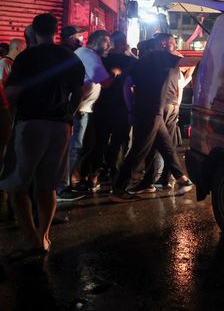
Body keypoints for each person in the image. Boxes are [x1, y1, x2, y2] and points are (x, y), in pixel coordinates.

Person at [2, 13, 84, 256]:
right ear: (56, 30)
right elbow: (79, 91)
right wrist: (69, 114)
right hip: (60, 126)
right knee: (47, 185)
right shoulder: (69, 57)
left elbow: (13, 93)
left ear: (34, 31)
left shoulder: (27, 57)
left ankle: (30, 238)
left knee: (17, 184)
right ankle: (44, 236)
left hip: (31, 124)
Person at [111, 33, 193, 202]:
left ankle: (181, 179)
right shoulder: (160, 56)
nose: (172, 45)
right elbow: (187, 62)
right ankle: (118, 189)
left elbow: (127, 81)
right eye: (170, 42)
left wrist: (131, 109)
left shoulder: (144, 59)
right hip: (152, 110)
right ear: (163, 44)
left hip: (145, 109)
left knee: (166, 145)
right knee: (139, 150)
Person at [69, 30, 117, 192]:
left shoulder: (83, 52)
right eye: (106, 41)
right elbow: (106, 82)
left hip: (84, 108)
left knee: (87, 144)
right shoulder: (89, 55)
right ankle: (63, 185)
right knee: (77, 146)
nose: (109, 46)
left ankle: (74, 177)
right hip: (80, 109)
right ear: (94, 41)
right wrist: (115, 73)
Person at [90, 31, 137, 185]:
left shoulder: (102, 59)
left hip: (102, 104)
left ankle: (94, 175)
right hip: (122, 106)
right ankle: (115, 177)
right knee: (119, 141)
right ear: (123, 43)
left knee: (100, 141)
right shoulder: (130, 61)